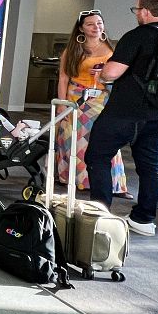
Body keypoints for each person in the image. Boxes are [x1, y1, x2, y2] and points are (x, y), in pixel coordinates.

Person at [86, 0, 158, 237]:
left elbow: (111, 73)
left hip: (126, 111)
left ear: (146, 11)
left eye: (137, 9)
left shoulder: (138, 35)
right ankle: (144, 220)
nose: (137, 13)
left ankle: (101, 215)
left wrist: (103, 74)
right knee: (150, 166)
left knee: (98, 157)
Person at [55, 10, 129, 197]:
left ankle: (111, 182)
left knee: (105, 138)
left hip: (102, 97)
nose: (96, 27)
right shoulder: (72, 50)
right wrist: (62, 103)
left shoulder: (112, 49)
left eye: (99, 23)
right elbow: (63, 78)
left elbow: (121, 75)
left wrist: (105, 75)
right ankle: (76, 179)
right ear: (81, 28)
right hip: (77, 96)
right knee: (75, 137)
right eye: (90, 24)